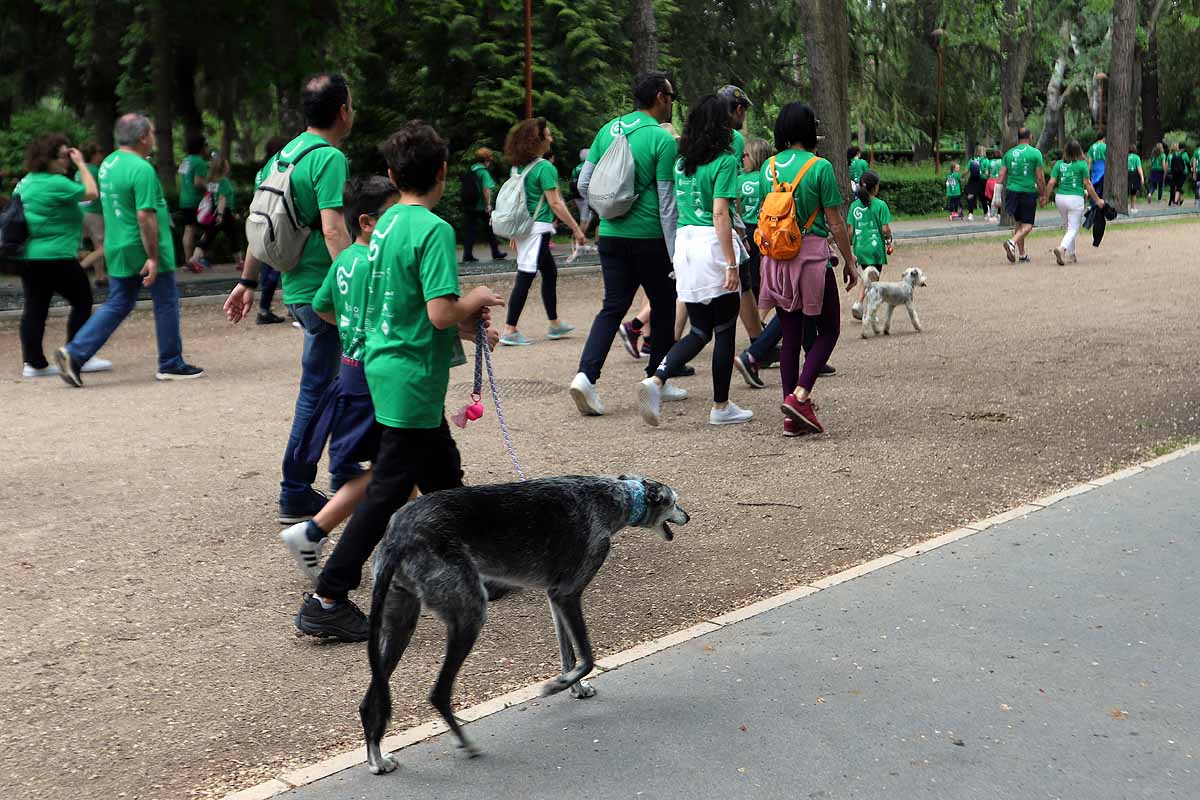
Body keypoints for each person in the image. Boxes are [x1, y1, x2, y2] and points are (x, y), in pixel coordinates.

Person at [293, 121, 504, 641]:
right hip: (412, 373)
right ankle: (328, 596)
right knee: (387, 490)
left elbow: (399, 302)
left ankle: (480, 564)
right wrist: (474, 300)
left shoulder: (382, 226)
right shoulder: (433, 230)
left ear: (392, 173)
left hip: (386, 368)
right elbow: (436, 312)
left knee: (442, 476)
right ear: (443, 171)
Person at [223, 74, 358, 524]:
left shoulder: (282, 156)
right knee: (322, 390)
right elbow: (333, 228)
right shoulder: (328, 159)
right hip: (325, 293)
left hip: (298, 288)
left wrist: (247, 281)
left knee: (341, 384)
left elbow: (259, 224)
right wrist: (353, 284)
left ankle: (342, 474)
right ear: (342, 110)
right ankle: (297, 489)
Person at [280, 175, 400, 576]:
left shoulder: (345, 259)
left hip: (351, 369)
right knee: (393, 465)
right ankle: (313, 531)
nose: (400, 220)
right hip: (378, 375)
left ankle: (417, 543)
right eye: (392, 213)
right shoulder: (377, 262)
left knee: (404, 462)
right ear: (367, 221)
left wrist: (351, 330)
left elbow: (322, 306)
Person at [55, 114, 204, 386]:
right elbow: (145, 215)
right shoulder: (141, 168)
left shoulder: (108, 164)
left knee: (119, 302)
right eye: (153, 133)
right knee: (166, 302)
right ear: (143, 138)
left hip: (117, 244)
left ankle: (75, 353)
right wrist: (153, 257)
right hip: (144, 246)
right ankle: (170, 363)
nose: (154, 138)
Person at [569, 71, 683, 417]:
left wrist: (613, 205)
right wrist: (676, 252)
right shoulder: (662, 140)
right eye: (672, 98)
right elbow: (666, 204)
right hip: (649, 238)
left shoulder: (608, 130)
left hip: (611, 235)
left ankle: (586, 377)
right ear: (661, 97)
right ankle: (657, 378)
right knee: (664, 307)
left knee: (613, 307)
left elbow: (584, 185)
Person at [637, 95, 753, 428]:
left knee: (699, 330)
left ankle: (656, 379)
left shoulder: (681, 162)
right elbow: (720, 213)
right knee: (725, 328)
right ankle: (721, 406)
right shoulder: (725, 161)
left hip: (685, 244)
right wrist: (732, 264)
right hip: (712, 245)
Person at [756, 102, 857, 437]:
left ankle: (790, 419)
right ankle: (800, 396)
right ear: (808, 130)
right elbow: (836, 223)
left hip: (775, 260)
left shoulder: (768, 167)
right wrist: (851, 262)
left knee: (790, 334)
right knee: (829, 329)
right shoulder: (820, 167)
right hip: (811, 259)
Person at [12, 134, 110, 378]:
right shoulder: (55, 182)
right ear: (48, 159)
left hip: (29, 256)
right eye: (63, 156)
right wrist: (82, 164)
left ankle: (33, 364)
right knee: (82, 301)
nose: (66, 160)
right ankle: (78, 354)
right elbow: (91, 192)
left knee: (35, 308)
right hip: (56, 256)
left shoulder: (26, 182)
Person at [498, 117, 584, 346]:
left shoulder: (517, 167)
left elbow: (517, 202)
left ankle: (555, 324)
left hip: (525, 227)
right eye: (547, 135)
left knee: (550, 272)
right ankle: (509, 329)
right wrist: (576, 229)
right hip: (538, 229)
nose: (551, 138)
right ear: (537, 141)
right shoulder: (545, 167)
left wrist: (515, 234)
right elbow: (555, 204)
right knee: (525, 276)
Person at [1043, 139, 1104, 265]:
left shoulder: (1059, 164)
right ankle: (1062, 248)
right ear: (1079, 151)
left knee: (1068, 227)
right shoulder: (1082, 165)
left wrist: (1045, 197)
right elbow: (1088, 184)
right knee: (1073, 228)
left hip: (1060, 198)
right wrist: (1097, 200)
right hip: (1075, 198)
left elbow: (1051, 182)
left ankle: (1071, 255)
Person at [847, 170, 893, 319]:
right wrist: (888, 239)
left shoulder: (854, 206)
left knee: (866, 274)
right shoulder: (880, 205)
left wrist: (849, 247)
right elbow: (885, 228)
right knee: (874, 280)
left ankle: (859, 304)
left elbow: (850, 230)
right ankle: (870, 312)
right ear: (875, 187)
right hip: (875, 248)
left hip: (860, 246)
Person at [254, 135, 289, 324]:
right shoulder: (277, 169)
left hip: (260, 222)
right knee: (275, 269)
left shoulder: (261, 171)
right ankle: (265, 309)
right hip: (274, 225)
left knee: (268, 268)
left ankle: (264, 308)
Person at [997, 128, 1046, 263]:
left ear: (1018, 138)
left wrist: (996, 196)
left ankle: (1022, 254)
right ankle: (1012, 242)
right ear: (1030, 137)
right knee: (1028, 225)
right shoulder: (1035, 153)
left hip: (1012, 192)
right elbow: (1040, 177)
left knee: (1019, 223)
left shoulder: (1008, 154)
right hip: (1027, 191)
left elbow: (1001, 175)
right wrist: (1043, 194)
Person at [189, 155, 243, 270]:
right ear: (225, 168)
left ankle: (194, 259)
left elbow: (213, 196)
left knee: (208, 236)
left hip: (213, 211)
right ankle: (239, 262)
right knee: (234, 236)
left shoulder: (212, 182)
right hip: (224, 212)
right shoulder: (224, 182)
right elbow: (222, 199)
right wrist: (221, 214)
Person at [461, 148, 506, 262]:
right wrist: (488, 205)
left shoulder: (472, 169)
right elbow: (486, 189)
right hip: (480, 206)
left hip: (470, 204)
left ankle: (467, 254)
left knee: (470, 230)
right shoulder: (483, 172)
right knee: (490, 228)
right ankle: (495, 252)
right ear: (487, 159)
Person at [76, 143, 107, 287]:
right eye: (100, 152)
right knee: (104, 246)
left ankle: (100, 276)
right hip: (95, 211)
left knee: (96, 245)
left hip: (81, 212)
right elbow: (103, 192)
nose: (101, 155)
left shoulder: (78, 171)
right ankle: (80, 268)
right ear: (94, 154)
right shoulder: (96, 170)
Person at [179, 132, 210, 268]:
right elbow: (198, 182)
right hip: (196, 201)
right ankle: (196, 258)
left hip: (184, 200)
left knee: (189, 229)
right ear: (202, 147)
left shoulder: (185, 160)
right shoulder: (200, 162)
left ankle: (188, 260)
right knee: (210, 228)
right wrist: (211, 188)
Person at [965, 146, 987, 220]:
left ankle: (970, 214)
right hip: (982, 180)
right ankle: (985, 213)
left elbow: (966, 171)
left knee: (971, 197)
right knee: (983, 198)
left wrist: (962, 176)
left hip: (973, 180)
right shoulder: (986, 161)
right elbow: (987, 173)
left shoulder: (972, 160)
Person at [987, 148, 1005, 220]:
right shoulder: (1002, 162)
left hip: (990, 181)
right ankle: (999, 213)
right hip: (998, 181)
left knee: (991, 198)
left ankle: (991, 213)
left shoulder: (989, 162)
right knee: (999, 198)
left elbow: (987, 173)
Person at [1087, 133, 1107, 199]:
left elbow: (1089, 161)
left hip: (1095, 168)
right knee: (1101, 188)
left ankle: (1094, 203)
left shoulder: (1091, 147)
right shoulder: (1105, 146)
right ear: (1103, 138)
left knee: (1094, 187)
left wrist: (1088, 173)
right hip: (1102, 168)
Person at [1127, 149, 1144, 214]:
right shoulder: (1137, 157)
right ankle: (1132, 207)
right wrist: (1142, 177)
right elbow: (1139, 168)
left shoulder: (1126, 156)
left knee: (1126, 192)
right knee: (1133, 192)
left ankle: (1124, 207)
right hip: (1134, 175)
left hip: (1126, 174)